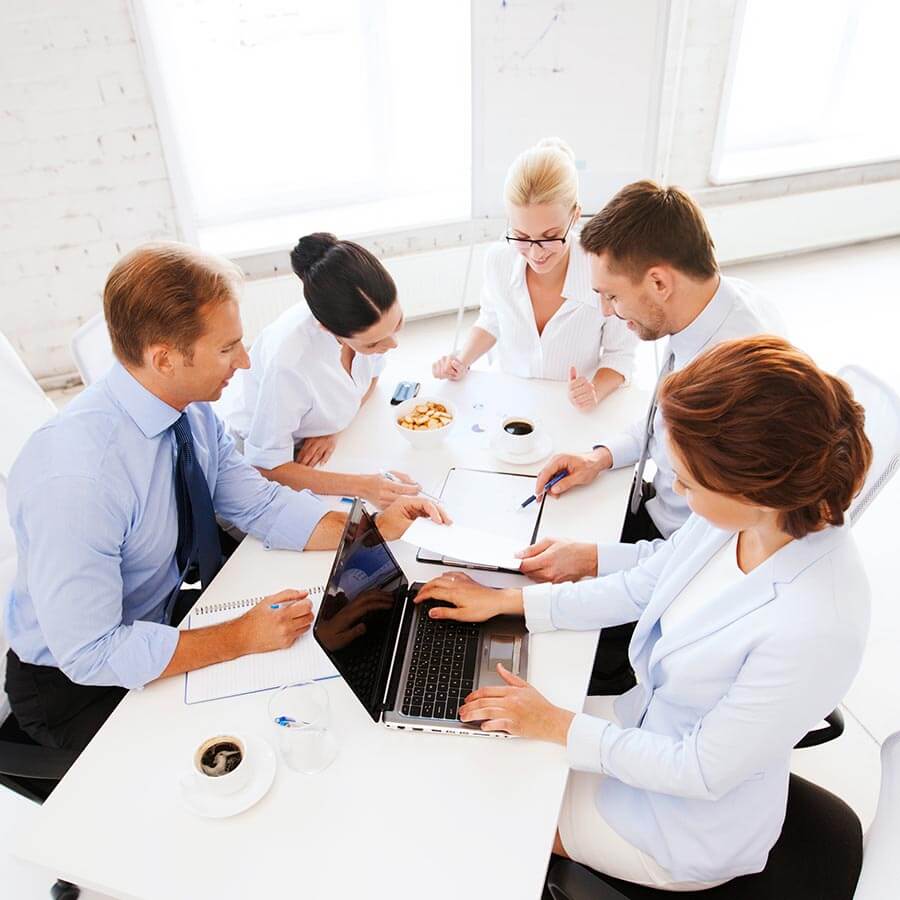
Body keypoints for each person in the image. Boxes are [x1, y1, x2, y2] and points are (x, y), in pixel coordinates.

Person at [416, 336, 871, 890]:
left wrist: (555, 724)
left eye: (689, 481)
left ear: (754, 490)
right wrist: (510, 602)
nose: (676, 489)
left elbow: (698, 769)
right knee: (485, 746)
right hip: (642, 732)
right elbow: (645, 584)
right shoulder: (745, 516)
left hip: (680, 823)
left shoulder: (816, 623)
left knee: (492, 810)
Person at [3, 242, 446, 756]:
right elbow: (91, 652)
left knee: (314, 678)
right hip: (72, 688)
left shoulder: (188, 412)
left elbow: (259, 504)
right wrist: (239, 636)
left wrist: (374, 526)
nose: (245, 360)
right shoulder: (78, 480)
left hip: (157, 617)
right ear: (164, 358)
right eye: (226, 348)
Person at [516, 180, 782, 692]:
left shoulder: (734, 379)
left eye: (612, 296)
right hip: (658, 521)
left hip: (683, 562)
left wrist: (593, 559)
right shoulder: (700, 311)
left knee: (548, 659)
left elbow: (702, 555)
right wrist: (601, 456)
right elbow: (663, 415)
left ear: (659, 282)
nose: (607, 313)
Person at [217, 232, 420, 508]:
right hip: (275, 459)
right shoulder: (290, 362)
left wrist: (332, 429)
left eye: (397, 324)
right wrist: (363, 485)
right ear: (327, 328)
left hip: (316, 443)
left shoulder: (364, 315)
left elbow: (371, 379)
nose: (393, 344)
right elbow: (267, 465)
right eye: (373, 343)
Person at [432, 139, 636, 410]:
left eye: (550, 237)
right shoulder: (498, 260)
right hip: (510, 403)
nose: (536, 253)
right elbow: (491, 321)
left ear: (575, 216)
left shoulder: (604, 272)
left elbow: (620, 355)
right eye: (521, 236)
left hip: (571, 411)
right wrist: (461, 360)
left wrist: (594, 391)